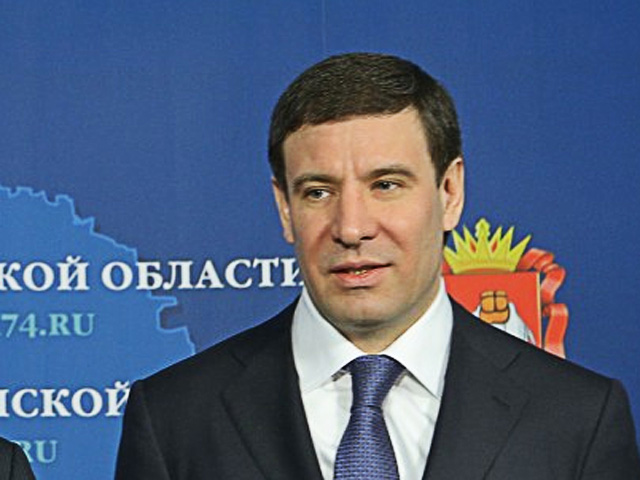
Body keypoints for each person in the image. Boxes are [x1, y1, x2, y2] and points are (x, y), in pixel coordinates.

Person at [115, 53, 640, 479]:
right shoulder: (173, 418)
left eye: (386, 185)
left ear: (450, 192)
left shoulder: (577, 417)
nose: (351, 227)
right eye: (318, 192)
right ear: (285, 209)